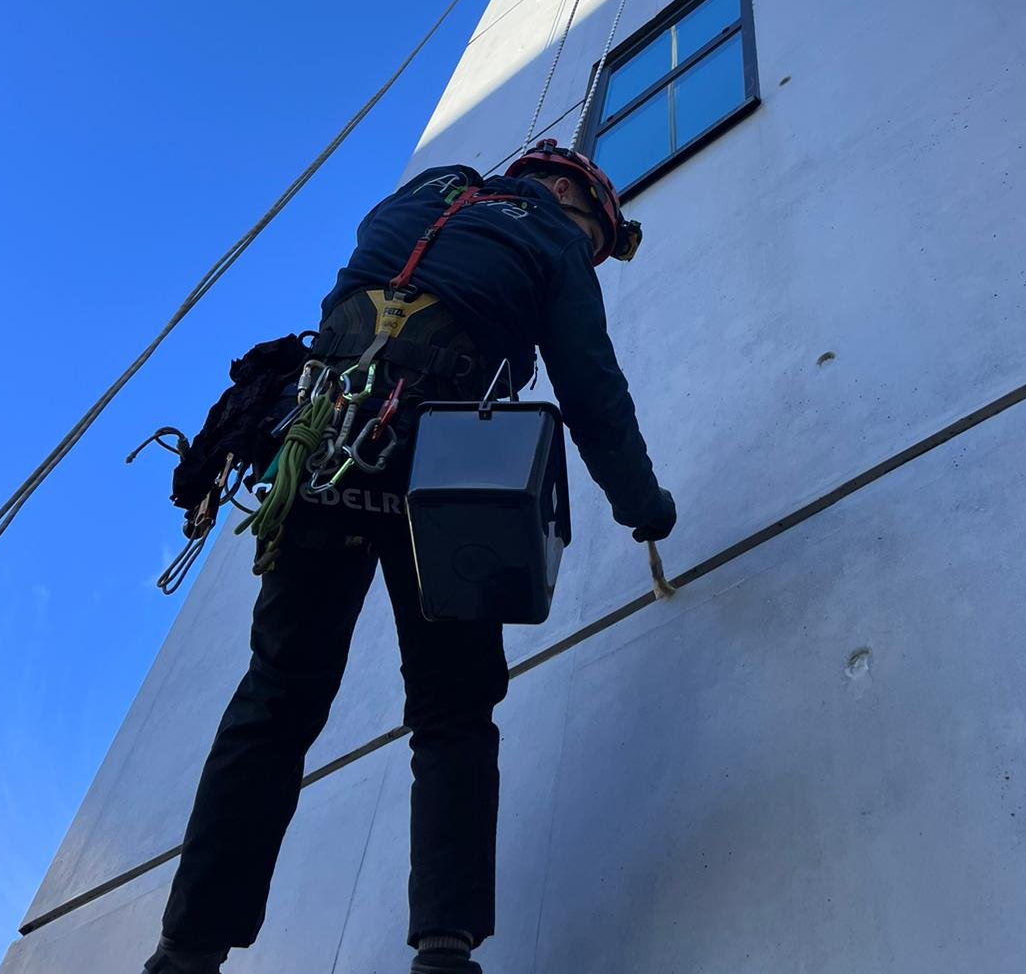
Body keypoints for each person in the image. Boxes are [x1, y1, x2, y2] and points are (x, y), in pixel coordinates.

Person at [143, 140, 676, 974]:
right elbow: (593, 395)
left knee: (276, 700)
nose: (592, 255)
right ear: (568, 193)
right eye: (597, 237)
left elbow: (366, 269)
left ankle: (184, 953)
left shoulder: (421, 199)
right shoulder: (551, 238)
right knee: (453, 709)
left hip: (317, 448)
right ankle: (443, 951)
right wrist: (646, 508)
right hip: (441, 466)